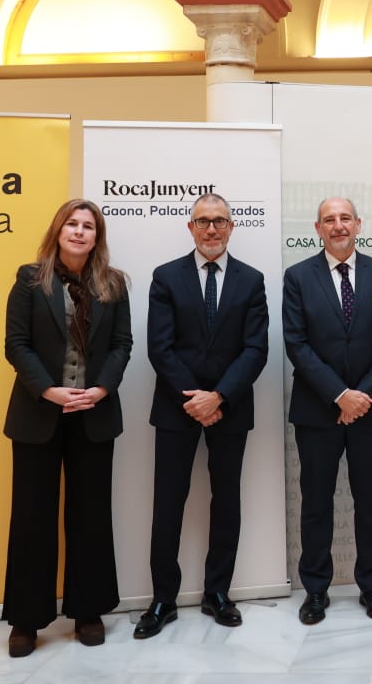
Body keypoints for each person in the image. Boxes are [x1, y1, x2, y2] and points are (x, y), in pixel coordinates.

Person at [135, 192, 270, 639]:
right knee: (168, 502)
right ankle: (162, 599)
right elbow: (160, 347)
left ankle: (217, 593)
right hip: (177, 407)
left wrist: (219, 397)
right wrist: (195, 399)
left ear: (232, 226)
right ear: (190, 227)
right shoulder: (166, 276)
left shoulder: (252, 280)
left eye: (219, 221)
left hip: (230, 408)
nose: (211, 229)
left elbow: (255, 349)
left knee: (226, 501)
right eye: (203, 221)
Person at [1, 199, 131, 658]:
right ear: (58, 231)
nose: (79, 232)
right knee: (32, 516)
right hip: (38, 413)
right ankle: (26, 618)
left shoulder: (113, 283)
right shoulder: (29, 280)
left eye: (88, 226)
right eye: (72, 224)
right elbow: (16, 345)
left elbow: (122, 344)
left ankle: (88, 609)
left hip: (94, 414)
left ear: (97, 237)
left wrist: (101, 389)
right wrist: (49, 391)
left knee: (90, 515)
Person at [283, 197, 372, 626]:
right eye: (329, 219)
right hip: (317, 410)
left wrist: (361, 396)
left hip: (371, 409)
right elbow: (296, 343)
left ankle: (371, 587)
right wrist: (339, 395)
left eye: (345, 218)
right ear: (318, 228)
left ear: (358, 224)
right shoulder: (298, 277)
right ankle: (316, 590)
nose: (338, 225)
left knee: (369, 501)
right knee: (316, 503)